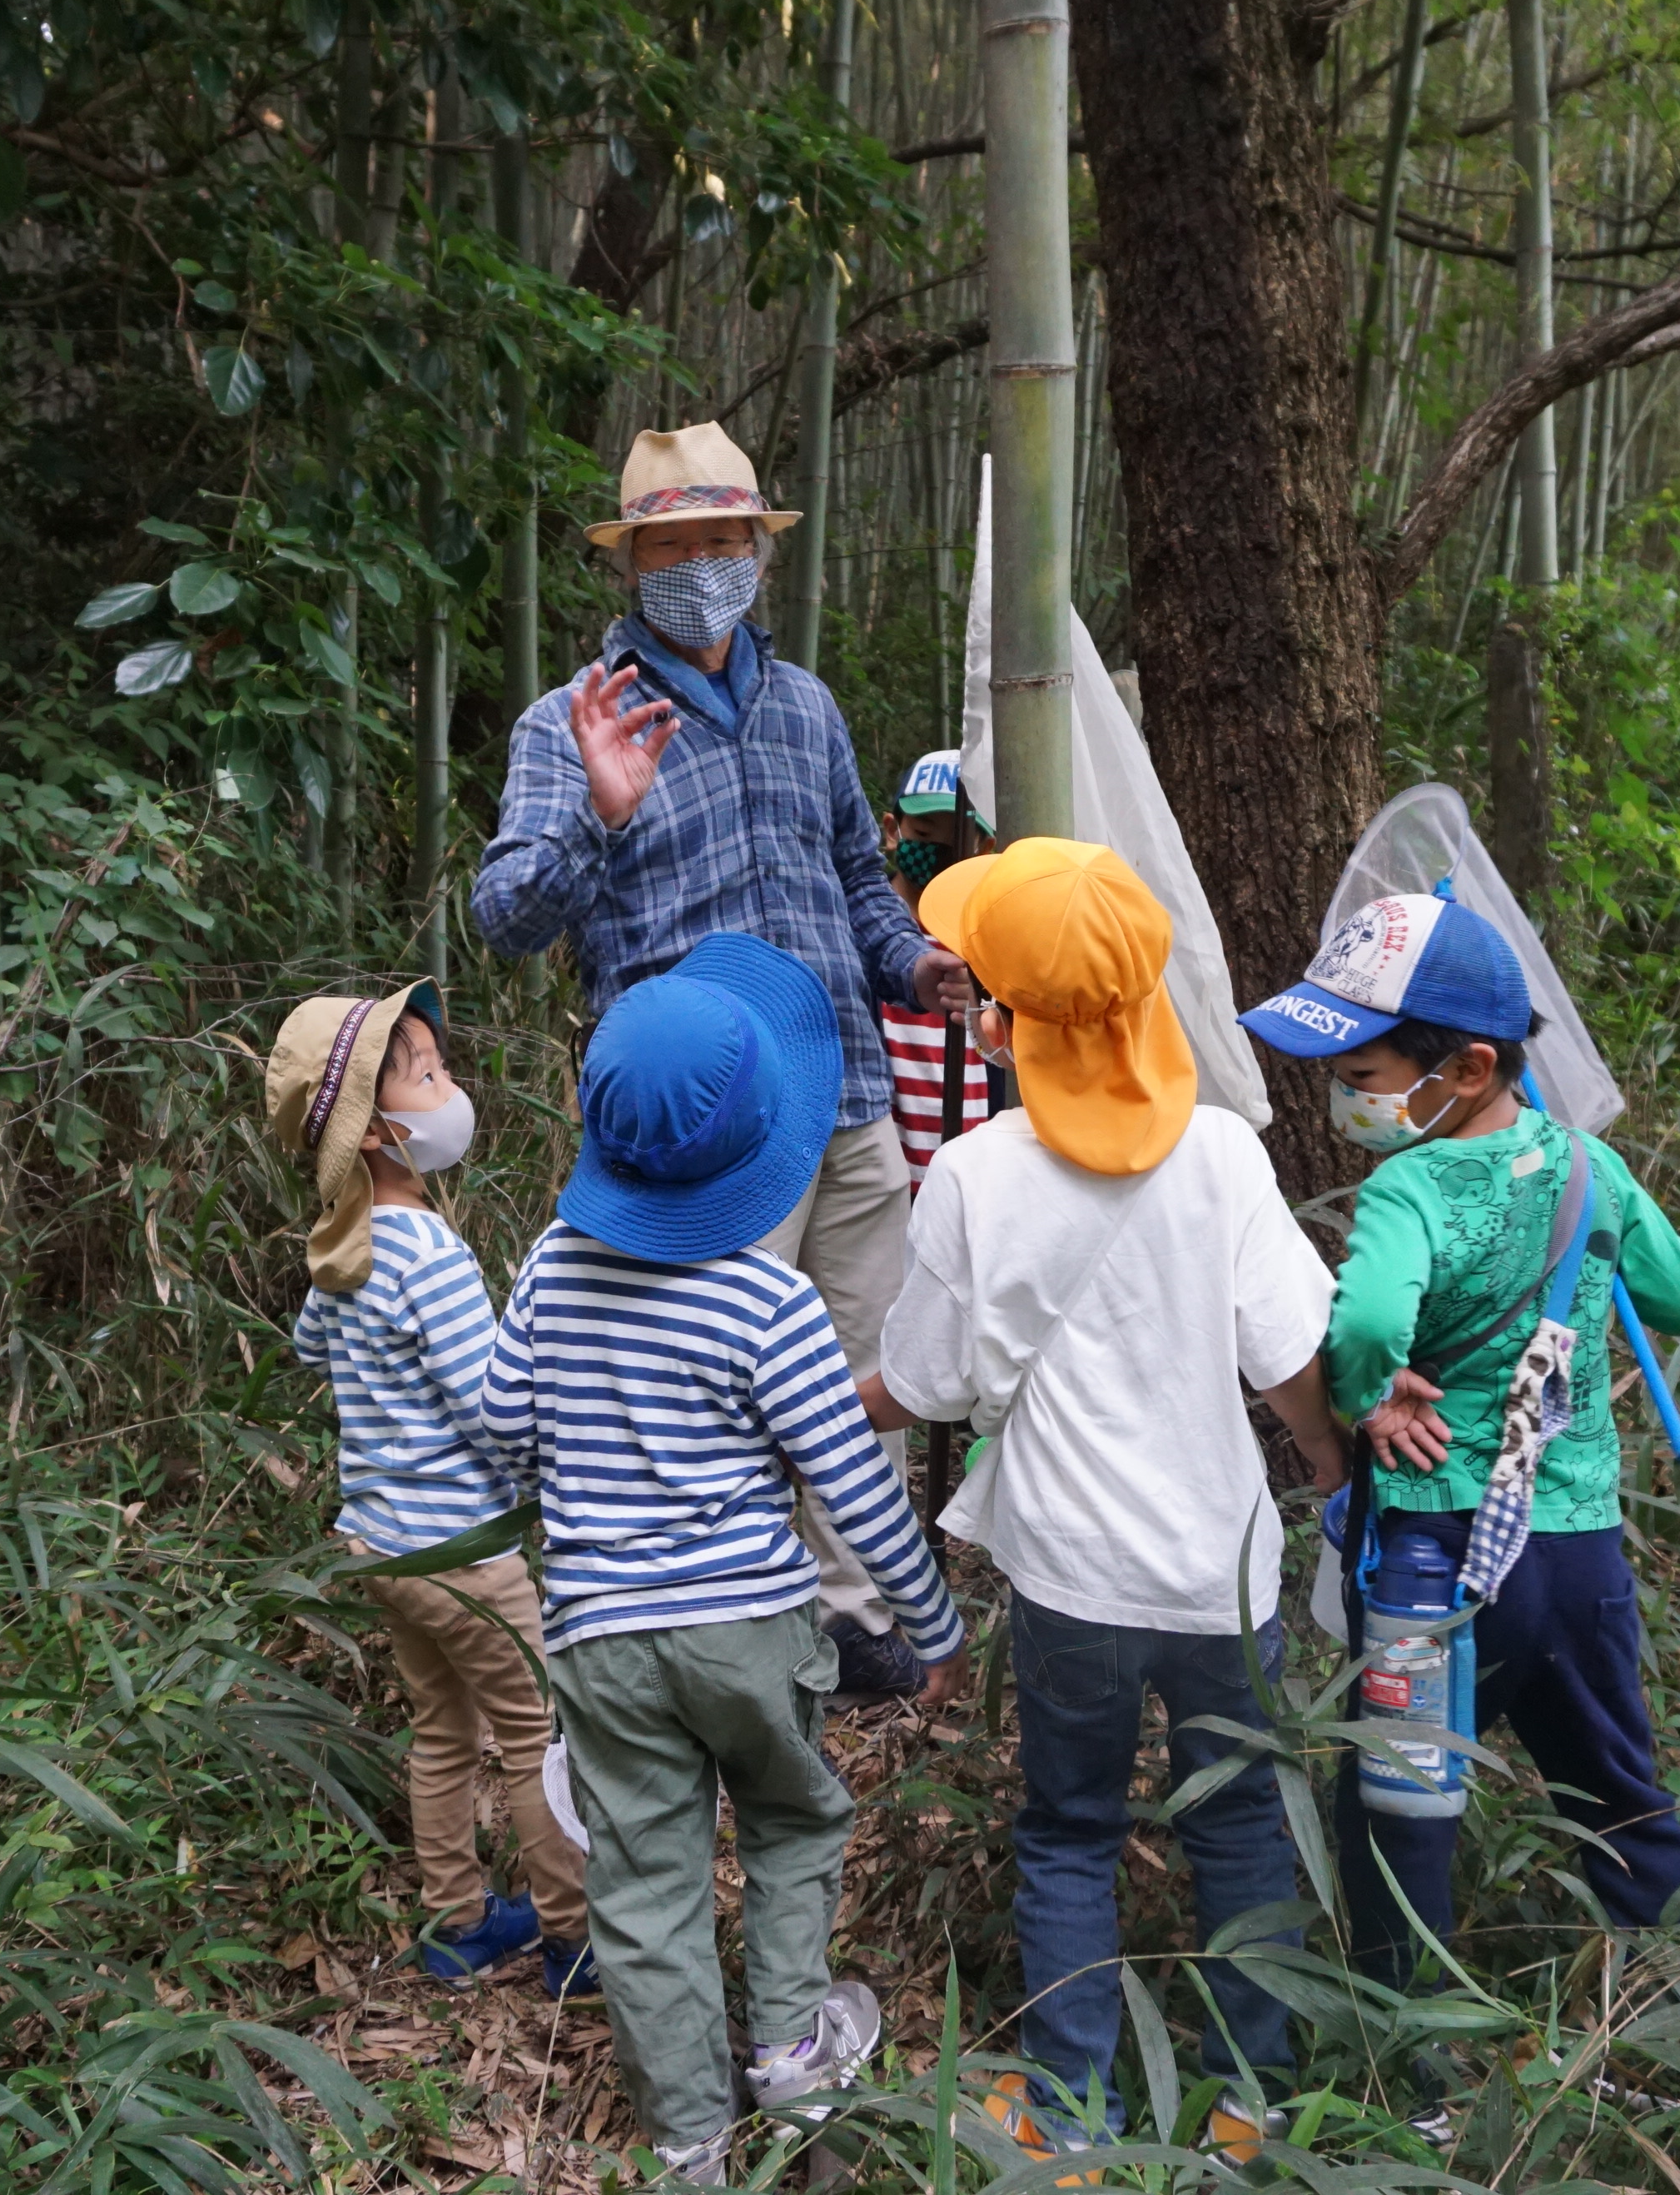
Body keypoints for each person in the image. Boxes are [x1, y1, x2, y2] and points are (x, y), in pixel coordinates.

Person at [857, 839, 1347, 2168]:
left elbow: (929, 1380)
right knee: (1243, 1819)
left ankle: (1072, 2108)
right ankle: (1254, 2095)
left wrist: (817, 1411)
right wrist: (1326, 1463)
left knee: (1068, 1828)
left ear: (1009, 1030)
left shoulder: (973, 1175)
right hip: (1222, 1571)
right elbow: (1294, 1360)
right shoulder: (1227, 1157)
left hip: (1069, 1577)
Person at [472, 421, 975, 1707]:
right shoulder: (570, 723)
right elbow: (506, 919)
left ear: (758, 550)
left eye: (721, 542)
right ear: (630, 565)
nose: (699, 566)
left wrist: (915, 964)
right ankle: (734, 1626)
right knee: (711, 1377)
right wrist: (600, 808)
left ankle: (856, 1619)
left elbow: (859, 881)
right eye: (670, 546)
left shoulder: (805, 707)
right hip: (698, 1132)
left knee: (862, 1361)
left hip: (852, 1089)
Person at [475, 932, 969, 2184]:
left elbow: (499, 1426)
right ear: (765, 1148)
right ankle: (796, 2044)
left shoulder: (550, 1267)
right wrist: (934, 1626)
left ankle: (690, 2139)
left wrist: (572, 1482)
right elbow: (854, 1484)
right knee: (796, 1816)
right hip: (750, 1629)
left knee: (646, 1877)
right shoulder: (768, 1305)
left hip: (600, 1637)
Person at [1236, 893, 1680, 2003]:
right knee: (1614, 1778)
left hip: (1433, 1555)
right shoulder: (1590, 1169)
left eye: (1361, 1078)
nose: (1347, 1100)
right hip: (1578, 1547)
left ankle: (1399, 2029)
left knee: (1402, 1797)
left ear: (1464, 1068)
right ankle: (1679, 1989)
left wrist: (1369, 1399)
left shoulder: (1409, 1183)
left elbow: (1361, 1327)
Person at [267, 982, 594, 2003]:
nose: (450, 1088)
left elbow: (305, 1348)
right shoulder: (431, 1254)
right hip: (467, 1554)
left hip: (383, 1547)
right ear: (373, 1133)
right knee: (533, 1733)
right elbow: (490, 1398)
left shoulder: (341, 1249)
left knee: (443, 1732)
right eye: (428, 1076)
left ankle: (456, 1925)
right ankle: (572, 1938)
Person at [877, 750, 997, 1186]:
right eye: (924, 833)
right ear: (892, 830)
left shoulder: (988, 935)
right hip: (883, 1164)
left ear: (984, 849)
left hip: (971, 1167)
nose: (936, 853)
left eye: (956, 842)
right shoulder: (865, 929)